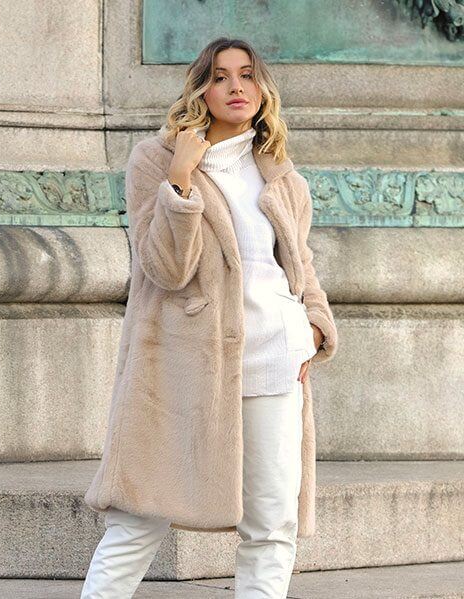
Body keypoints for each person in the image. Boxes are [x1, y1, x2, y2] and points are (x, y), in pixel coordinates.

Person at [81, 37, 338, 598]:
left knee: (271, 523)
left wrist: (314, 328)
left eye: (247, 75)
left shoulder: (282, 177)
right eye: (220, 77)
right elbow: (166, 269)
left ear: (262, 88)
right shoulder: (156, 160)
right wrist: (181, 178)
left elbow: (300, 263)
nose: (236, 87)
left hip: (275, 358)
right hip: (184, 361)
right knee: (139, 515)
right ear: (201, 89)